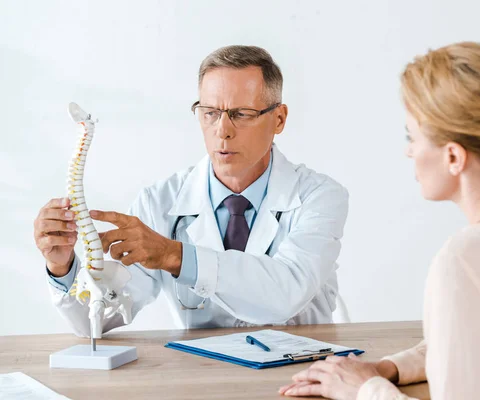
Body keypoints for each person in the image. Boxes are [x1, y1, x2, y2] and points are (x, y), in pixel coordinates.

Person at [280, 42, 480, 399]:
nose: (409, 150)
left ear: (452, 156)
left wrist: (362, 390)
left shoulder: (467, 259)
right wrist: (388, 369)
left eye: (411, 136)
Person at [33, 45, 349, 336]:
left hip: (302, 379)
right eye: (210, 113)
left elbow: (287, 292)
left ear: (278, 118)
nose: (222, 131)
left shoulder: (319, 196)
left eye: (241, 114)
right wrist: (61, 267)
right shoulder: (159, 202)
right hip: (201, 380)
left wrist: (174, 255)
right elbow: (99, 318)